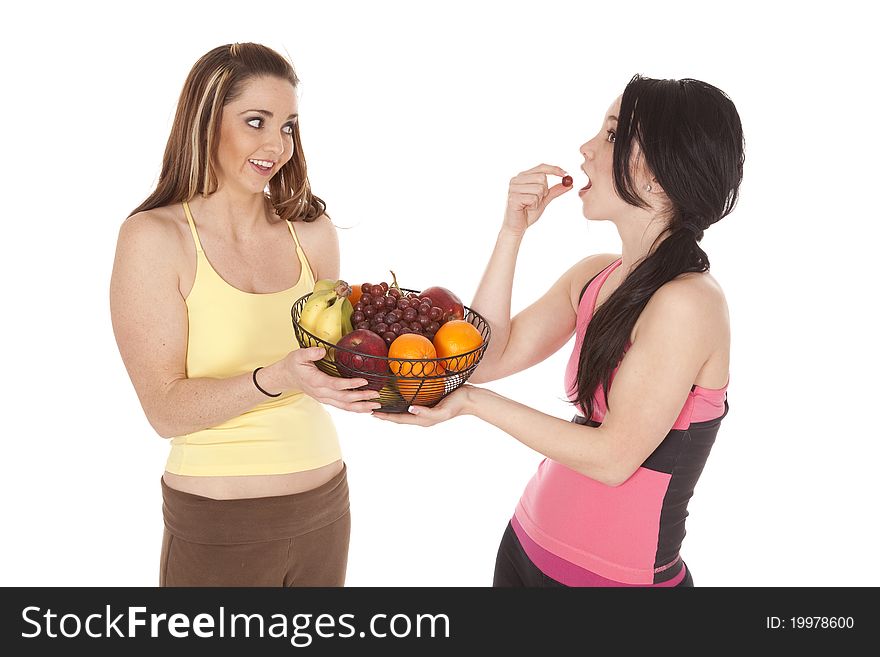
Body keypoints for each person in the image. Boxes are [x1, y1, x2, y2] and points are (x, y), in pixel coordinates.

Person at [375, 74, 744, 587]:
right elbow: (482, 360)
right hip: (525, 547)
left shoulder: (690, 303)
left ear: (660, 174)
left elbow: (614, 458)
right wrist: (512, 232)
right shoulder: (594, 275)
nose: (586, 149)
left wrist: (472, 404)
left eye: (612, 135)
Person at [109, 43, 382, 587]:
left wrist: (390, 375)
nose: (275, 144)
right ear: (206, 122)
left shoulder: (312, 234)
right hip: (218, 524)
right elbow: (165, 411)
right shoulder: (156, 239)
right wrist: (275, 378)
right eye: (255, 121)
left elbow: (328, 366)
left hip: (325, 509)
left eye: (287, 127)